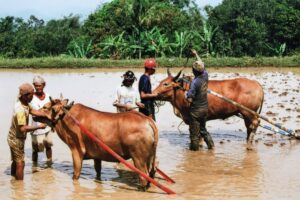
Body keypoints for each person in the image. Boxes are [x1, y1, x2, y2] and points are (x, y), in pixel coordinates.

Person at [7, 83, 48, 180]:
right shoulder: (20, 109)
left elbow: (33, 111)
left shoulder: (24, 103)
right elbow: (23, 128)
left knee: (16, 161)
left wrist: (46, 114)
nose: (33, 97)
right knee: (21, 164)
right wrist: (39, 127)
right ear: (25, 96)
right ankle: (20, 187)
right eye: (31, 95)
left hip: (14, 137)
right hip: (16, 139)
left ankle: (13, 180)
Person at [186, 56, 214, 151]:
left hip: (196, 112)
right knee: (203, 130)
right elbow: (203, 67)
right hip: (205, 109)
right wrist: (196, 54)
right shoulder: (205, 76)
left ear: (194, 71)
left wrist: (187, 93)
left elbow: (190, 99)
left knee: (194, 134)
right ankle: (211, 146)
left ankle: (194, 154)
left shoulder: (194, 82)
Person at [30, 76, 53, 167]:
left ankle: (49, 164)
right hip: (36, 127)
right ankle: (34, 166)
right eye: (36, 86)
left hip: (47, 126)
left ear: (44, 85)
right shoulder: (31, 98)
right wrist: (44, 114)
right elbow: (32, 113)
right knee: (36, 149)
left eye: (40, 86)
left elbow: (51, 111)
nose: (38, 88)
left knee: (48, 146)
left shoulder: (48, 96)